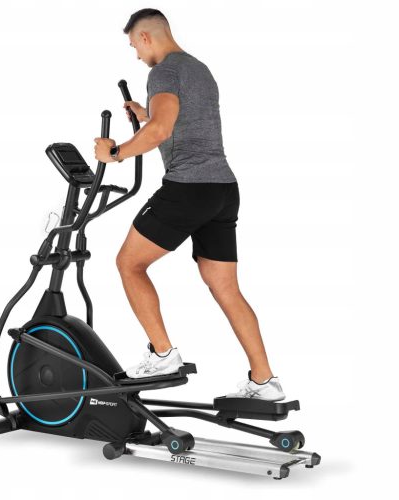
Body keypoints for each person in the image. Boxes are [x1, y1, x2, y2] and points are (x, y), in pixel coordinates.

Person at [94, 8, 285, 401]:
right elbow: (180, 120)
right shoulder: (199, 68)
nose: (136, 55)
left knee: (129, 263)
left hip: (188, 188)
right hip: (222, 189)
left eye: (134, 46)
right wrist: (145, 113)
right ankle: (265, 381)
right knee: (226, 287)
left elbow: (161, 130)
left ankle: (163, 355)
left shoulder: (162, 72)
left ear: (145, 37)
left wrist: (114, 153)